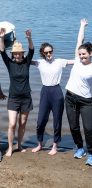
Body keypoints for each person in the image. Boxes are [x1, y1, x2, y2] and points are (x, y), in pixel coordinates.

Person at [31, 43, 73, 155]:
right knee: (40, 120)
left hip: (56, 91)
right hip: (45, 91)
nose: (49, 54)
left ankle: (55, 145)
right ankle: (40, 144)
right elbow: (24, 60)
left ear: (53, 51)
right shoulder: (39, 62)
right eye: (46, 52)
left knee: (57, 120)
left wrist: (87, 58)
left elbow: (75, 61)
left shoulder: (59, 62)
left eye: (50, 51)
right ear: (43, 53)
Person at [0, 28, 34, 157]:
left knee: (22, 123)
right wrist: (1, 38)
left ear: (22, 54)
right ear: (13, 54)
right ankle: (9, 148)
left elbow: (32, 50)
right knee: (12, 123)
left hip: (26, 98)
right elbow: (2, 51)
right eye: (15, 53)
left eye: (19, 53)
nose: (17, 55)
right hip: (13, 98)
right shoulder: (9, 64)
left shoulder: (27, 62)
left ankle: (19, 145)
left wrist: (29, 38)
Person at [65, 19, 92, 166]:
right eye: (80, 54)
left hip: (86, 100)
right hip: (70, 97)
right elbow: (79, 39)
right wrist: (82, 26)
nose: (81, 56)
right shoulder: (76, 59)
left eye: (84, 54)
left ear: (90, 53)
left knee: (89, 128)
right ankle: (80, 148)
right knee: (74, 126)